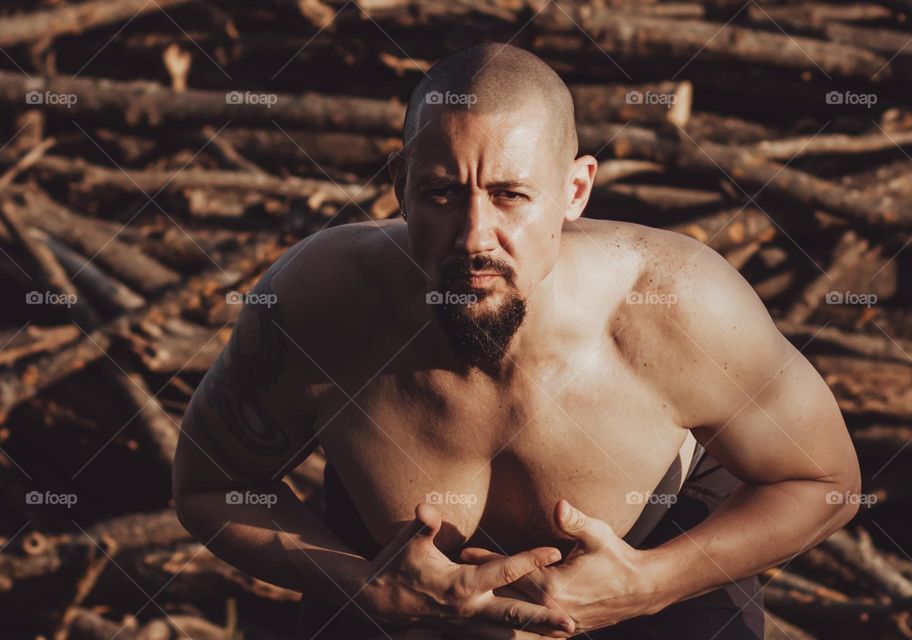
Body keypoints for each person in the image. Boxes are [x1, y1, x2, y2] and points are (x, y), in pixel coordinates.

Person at [173, 43, 861, 640]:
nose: (474, 236)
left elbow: (826, 480)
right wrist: (364, 586)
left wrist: (649, 584)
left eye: (509, 195)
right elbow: (211, 482)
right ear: (399, 188)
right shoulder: (318, 302)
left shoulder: (677, 306)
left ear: (575, 189)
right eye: (442, 194)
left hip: (658, 583)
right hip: (395, 604)